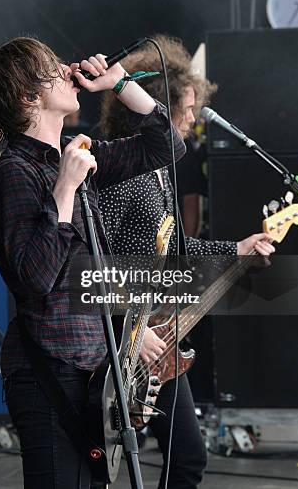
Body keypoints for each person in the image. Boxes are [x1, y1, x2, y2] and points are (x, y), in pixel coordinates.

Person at [0, 36, 186, 489]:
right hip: (49, 373)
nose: (67, 70)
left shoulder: (75, 154)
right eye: (52, 68)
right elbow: (36, 278)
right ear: (29, 97)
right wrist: (64, 189)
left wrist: (120, 82)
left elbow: (166, 147)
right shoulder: (14, 172)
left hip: (93, 370)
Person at [99, 34, 275, 489]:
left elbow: (175, 247)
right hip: (123, 345)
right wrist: (126, 336)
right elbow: (95, 259)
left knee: (187, 461)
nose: (194, 119)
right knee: (112, 465)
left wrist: (235, 248)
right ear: (158, 108)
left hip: (155, 339)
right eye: (188, 109)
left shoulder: (161, 171)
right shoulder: (122, 173)